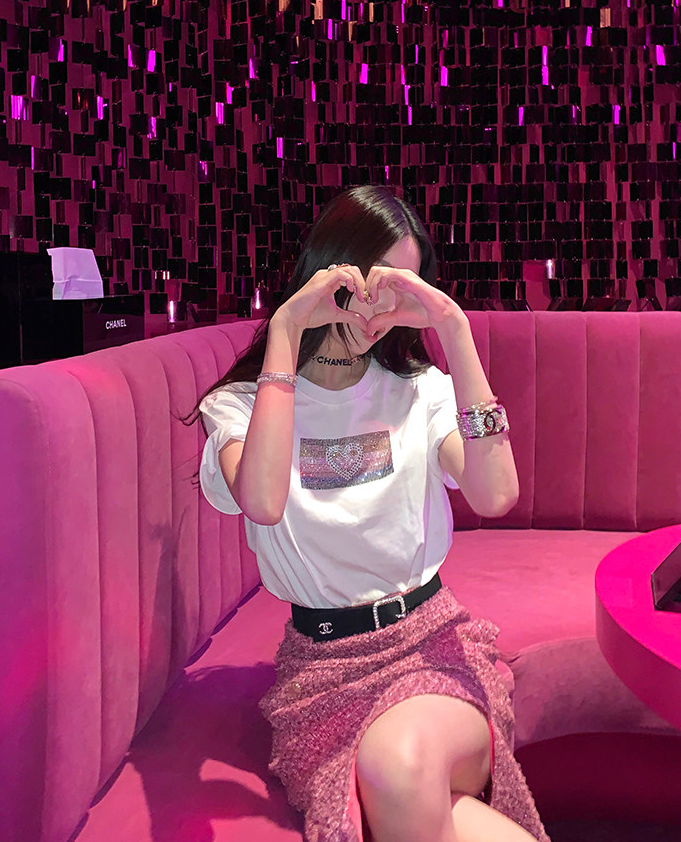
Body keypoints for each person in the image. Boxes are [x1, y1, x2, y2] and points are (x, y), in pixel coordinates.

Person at [190, 186, 550, 842]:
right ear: (328, 271)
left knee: (400, 764)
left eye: (401, 288)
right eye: (371, 283)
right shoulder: (240, 407)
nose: (380, 308)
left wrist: (454, 328)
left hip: (433, 649)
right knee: (436, 810)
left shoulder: (419, 391)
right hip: (322, 677)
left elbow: (496, 494)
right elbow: (263, 502)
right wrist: (285, 332)